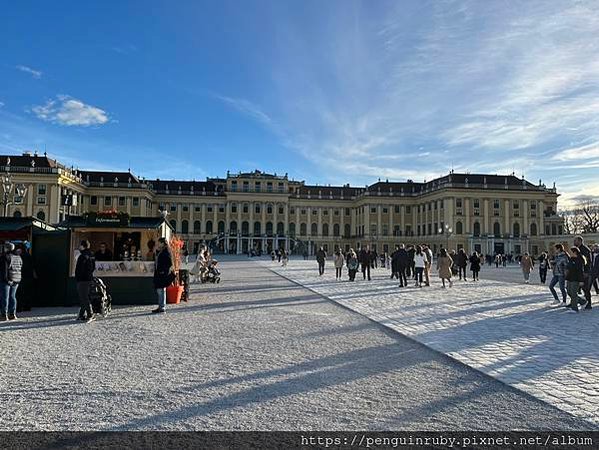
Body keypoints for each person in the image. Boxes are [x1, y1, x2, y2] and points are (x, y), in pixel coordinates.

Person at [75, 240, 96, 323]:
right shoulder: (91, 255)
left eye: (80, 245)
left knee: (84, 297)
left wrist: (78, 277)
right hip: (89, 278)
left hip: (82, 280)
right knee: (85, 297)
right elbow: (93, 267)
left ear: (82, 246)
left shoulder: (82, 256)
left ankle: (90, 314)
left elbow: (79, 269)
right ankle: (81, 314)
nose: (79, 247)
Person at [152, 237, 174, 314]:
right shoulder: (162, 251)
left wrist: (163, 271)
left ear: (162, 243)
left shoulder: (166, 251)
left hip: (162, 274)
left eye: (159, 243)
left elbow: (169, 263)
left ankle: (162, 307)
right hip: (159, 273)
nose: (158, 244)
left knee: (161, 290)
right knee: (160, 290)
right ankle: (161, 306)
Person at [573, 235, 592, 310]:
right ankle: (577, 302)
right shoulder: (577, 249)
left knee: (586, 288)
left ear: (580, 241)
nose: (574, 242)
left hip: (584, 272)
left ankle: (588, 303)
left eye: (575, 241)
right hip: (579, 272)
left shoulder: (584, 250)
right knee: (576, 288)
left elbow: (587, 262)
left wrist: (586, 272)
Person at [565, 246, 586, 313]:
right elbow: (568, 267)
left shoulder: (579, 260)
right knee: (569, 292)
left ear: (575, 252)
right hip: (569, 278)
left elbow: (580, 271)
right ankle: (582, 301)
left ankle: (574, 308)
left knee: (573, 293)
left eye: (570, 252)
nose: (569, 253)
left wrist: (581, 280)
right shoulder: (571, 259)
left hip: (576, 278)